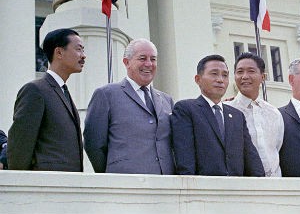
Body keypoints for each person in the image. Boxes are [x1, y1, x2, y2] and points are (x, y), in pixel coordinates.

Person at [84, 39, 175, 174]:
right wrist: (111, 172)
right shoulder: (106, 95)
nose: (149, 64)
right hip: (125, 182)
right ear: (127, 62)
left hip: (166, 183)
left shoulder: (167, 100)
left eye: (153, 59)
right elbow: (94, 143)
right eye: (142, 58)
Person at [171, 54, 264, 176]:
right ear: (198, 79)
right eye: (214, 74)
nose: (220, 79)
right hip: (204, 190)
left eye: (225, 75)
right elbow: (185, 157)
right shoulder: (186, 109)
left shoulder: (237, 116)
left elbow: (251, 158)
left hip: (235, 190)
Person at [8, 28, 85, 171]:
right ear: (59, 52)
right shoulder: (35, 90)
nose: (83, 56)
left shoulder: (64, 92)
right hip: (46, 186)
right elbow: (20, 145)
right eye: (78, 49)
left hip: (69, 185)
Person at [225, 52, 284, 177]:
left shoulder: (274, 113)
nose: (244, 76)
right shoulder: (226, 111)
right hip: (243, 185)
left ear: (262, 77)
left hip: (274, 186)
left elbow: (276, 148)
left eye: (251, 71)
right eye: (240, 72)